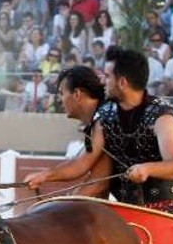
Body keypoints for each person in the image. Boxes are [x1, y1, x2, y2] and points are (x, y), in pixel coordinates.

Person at [26, 47, 173, 218]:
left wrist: (147, 168)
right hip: (132, 211)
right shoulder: (106, 116)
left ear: (122, 82)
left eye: (107, 77)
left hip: (170, 209)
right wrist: (45, 175)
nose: (103, 81)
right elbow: (83, 162)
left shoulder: (162, 116)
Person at [22, 65, 111, 196]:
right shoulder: (100, 117)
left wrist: (45, 177)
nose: (59, 100)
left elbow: (97, 180)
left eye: (62, 93)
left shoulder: (105, 119)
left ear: (77, 95)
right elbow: (85, 168)